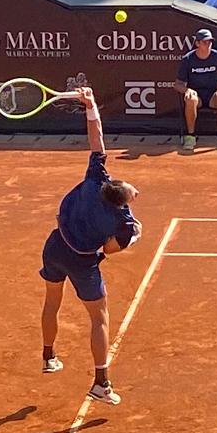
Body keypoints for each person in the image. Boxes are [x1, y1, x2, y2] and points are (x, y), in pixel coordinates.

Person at [39, 87, 141, 406]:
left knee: (52, 301)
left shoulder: (97, 179)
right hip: (83, 262)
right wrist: (135, 235)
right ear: (123, 200)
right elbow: (109, 250)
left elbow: (96, 137)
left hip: (55, 246)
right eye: (133, 192)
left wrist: (91, 104)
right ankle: (101, 384)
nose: (135, 192)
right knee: (99, 318)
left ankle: (48, 357)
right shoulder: (123, 223)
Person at [174, 29, 217, 152]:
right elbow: (177, 84)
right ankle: (190, 137)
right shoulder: (188, 59)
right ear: (197, 43)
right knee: (191, 99)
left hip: (214, 96)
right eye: (205, 42)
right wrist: (187, 90)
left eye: (210, 42)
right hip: (198, 97)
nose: (208, 44)